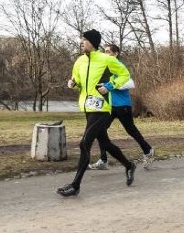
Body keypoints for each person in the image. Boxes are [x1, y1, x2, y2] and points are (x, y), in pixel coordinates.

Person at [56, 30, 137, 197]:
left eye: (84, 40)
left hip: (102, 109)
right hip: (88, 108)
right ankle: (129, 165)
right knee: (105, 144)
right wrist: (73, 83)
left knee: (84, 144)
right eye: (81, 39)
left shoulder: (106, 59)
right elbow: (78, 82)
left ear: (93, 42)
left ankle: (75, 185)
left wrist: (109, 86)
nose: (81, 42)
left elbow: (124, 75)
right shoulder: (79, 61)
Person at [88, 44, 155, 171]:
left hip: (122, 105)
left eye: (108, 51)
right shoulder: (105, 67)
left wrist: (109, 85)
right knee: (100, 131)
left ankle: (148, 150)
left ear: (116, 53)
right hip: (109, 106)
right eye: (105, 51)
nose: (106, 53)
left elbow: (130, 83)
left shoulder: (119, 66)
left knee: (131, 131)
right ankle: (103, 160)